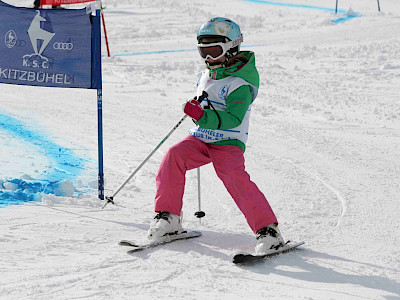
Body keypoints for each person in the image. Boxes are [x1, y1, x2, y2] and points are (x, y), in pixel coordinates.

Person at [147, 17, 285, 254]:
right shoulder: (206, 75)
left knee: (233, 175)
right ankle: (168, 218)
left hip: (228, 141)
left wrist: (202, 116)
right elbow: (204, 105)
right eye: (204, 52)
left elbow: (233, 118)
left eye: (214, 51)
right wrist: (196, 109)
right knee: (173, 156)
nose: (208, 58)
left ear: (232, 47)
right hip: (201, 138)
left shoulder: (240, 83)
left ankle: (268, 231)